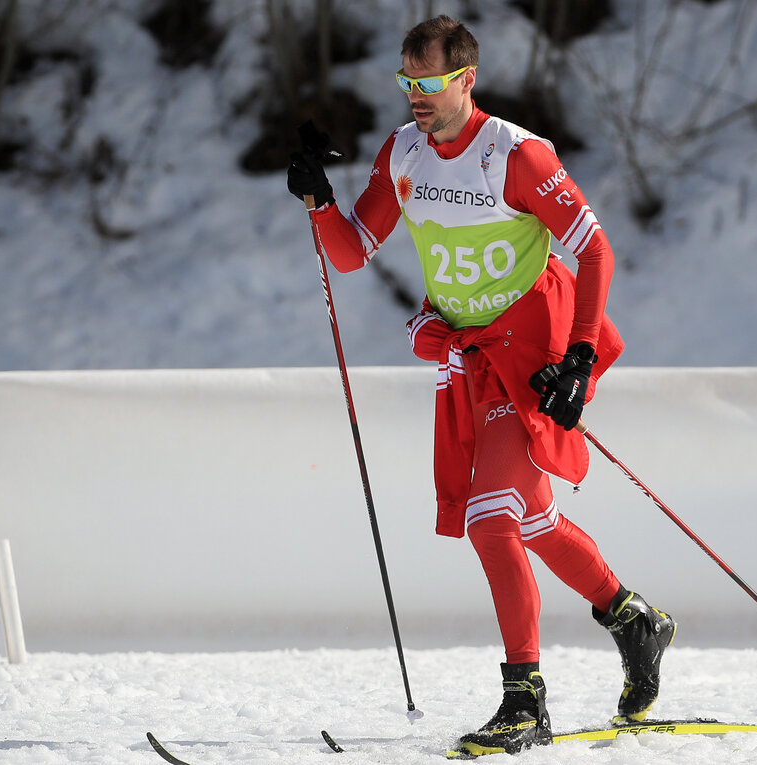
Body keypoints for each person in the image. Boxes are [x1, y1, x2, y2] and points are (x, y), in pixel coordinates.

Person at [287, 14, 675, 757]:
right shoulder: (403, 152)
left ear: (467, 78)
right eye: (406, 82)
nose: (415, 97)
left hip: (534, 352)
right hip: (468, 354)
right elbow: (352, 253)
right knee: (528, 519)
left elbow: (596, 252)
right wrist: (319, 200)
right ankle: (632, 619)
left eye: (428, 82)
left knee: (491, 515)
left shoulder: (517, 155)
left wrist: (582, 357)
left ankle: (525, 700)